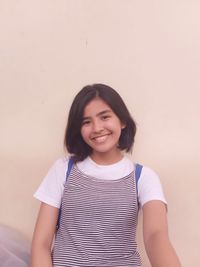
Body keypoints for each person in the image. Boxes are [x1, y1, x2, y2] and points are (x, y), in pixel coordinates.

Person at [31, 84, 181, 267]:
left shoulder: (143, 177)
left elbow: (155, 236)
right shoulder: (63, 169)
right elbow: (41, 243)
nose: (96, 128)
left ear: (122, 121)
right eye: (86, 122)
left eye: (105, 117)